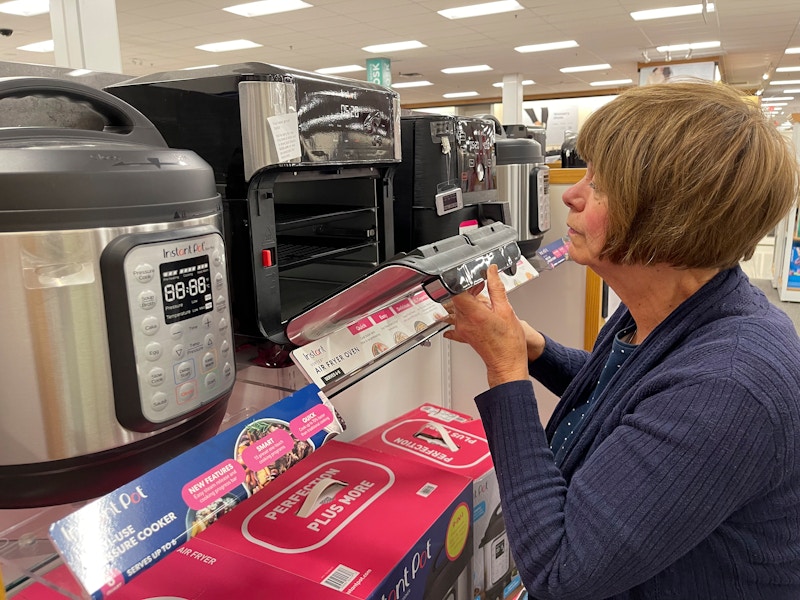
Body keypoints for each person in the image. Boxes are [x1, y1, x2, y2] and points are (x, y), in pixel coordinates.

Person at [442, 81, 800, 599]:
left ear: (671, 217)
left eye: (601, 185)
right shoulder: (675, 308)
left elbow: (560, 571)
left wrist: (505, 368)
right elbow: (630, 397)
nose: (570, 192)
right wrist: (532, 346)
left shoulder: (729, 385)